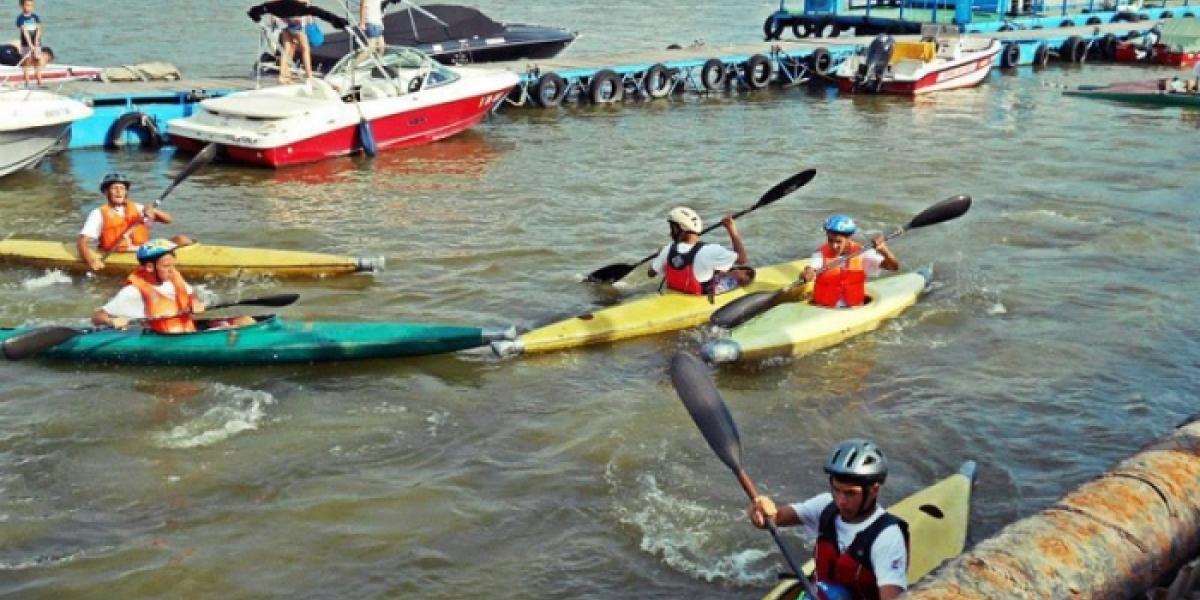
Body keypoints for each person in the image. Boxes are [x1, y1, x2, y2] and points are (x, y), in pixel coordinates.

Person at [748, 439, 910, 600]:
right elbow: (774, 519)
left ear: (874, 490)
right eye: (836, 490)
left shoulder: (888, 537)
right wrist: (761, 511)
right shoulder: (825, 506)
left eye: (850, 493)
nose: (841, 501)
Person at [91, 239, 255, 333]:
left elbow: (190, 295)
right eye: (166, 266)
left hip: (189, 332)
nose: (172, 270)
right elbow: (97, 317)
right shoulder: (132, 291)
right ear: (150, 267)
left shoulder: (173, 278)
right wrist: (112, 321)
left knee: (246, 320)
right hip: (165, 339)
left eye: (173, 265)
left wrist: (195, 302)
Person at [77, 173, 193, 273]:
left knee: (182, 239)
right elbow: (82, 241)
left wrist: (153, 210)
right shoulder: (98, 213)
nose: (119, 191)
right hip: (117, 253)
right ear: (106, 192)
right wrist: (91, 260)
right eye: (114, 188)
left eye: (122, 188)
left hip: (143, 250)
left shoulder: (137, 208)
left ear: (126, 192)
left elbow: (168, 220)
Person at [647, 206, 754, 296]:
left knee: (718, 269)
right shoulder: (711, 251)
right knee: (746, 274)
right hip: (701, 295)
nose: (670, 233)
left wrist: (660, 255)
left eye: (673, 229)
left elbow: (651, 273)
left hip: (677, 291)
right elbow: (742, 259)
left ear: (682, 229)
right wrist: (731, 229)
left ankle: (722, 272)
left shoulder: (668, 248)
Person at [800, 214, 899, 308]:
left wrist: (884, 250)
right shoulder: (820, 254)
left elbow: (893, 267)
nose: (834, 246)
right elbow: (810, 268)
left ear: (848, 239)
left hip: (854, 309)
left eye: (838, 241)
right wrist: (807, 273)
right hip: (823, 308)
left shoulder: (863, 253)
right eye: (830, 240)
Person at [278, 0, 314, 83]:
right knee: (305, 48)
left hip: (285, 19)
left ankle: (283, 75)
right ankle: (309, 75)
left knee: (287, 48)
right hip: (296, 21)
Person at [14, 0, 42, 86]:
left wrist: (36, 41)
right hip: (26, 45)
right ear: (22, 6)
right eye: (27, 5)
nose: (29, 7)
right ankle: (27, 83)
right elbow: (25, 31)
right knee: (26, 63)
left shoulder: (35, 17)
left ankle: (39, 83)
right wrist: (30, 44)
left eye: (31, 5)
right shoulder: (20, 18)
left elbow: (39, 29)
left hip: (36, 44)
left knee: (37, 62)